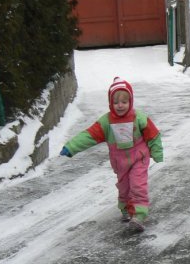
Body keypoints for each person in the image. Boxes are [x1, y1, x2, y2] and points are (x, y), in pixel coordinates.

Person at [59, 77, 163, 232]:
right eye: (116, 102)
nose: (120, 105)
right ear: (110, 103)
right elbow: (89, 135)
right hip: (119, 162)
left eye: (124, 102)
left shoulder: (138, 117)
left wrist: (157, 152)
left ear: (131, 101)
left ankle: (139, 215)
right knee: (124, 188)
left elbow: (153, 134)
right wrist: (71, 147)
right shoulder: (106, 122)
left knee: (137, 185)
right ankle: (126, 209)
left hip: (139, 159)